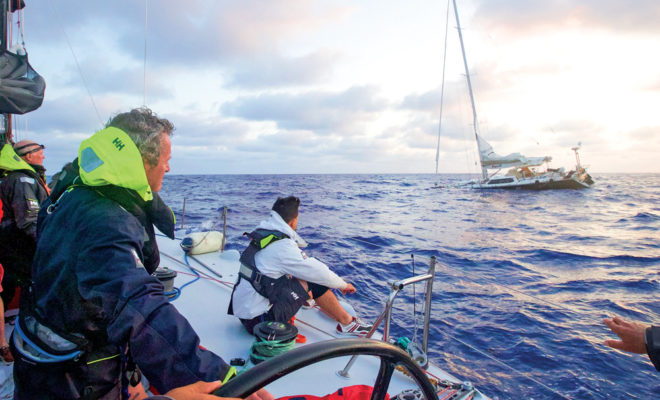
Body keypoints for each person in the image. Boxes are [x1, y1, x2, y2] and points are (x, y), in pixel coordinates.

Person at [11, 108, 271, 400]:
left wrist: (133, 372)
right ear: (145, 161)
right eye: (166, 160)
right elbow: (135, 303)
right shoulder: (107, 220)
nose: (168, 168)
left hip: (47, 355)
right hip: (74, 379)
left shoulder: (73, 193)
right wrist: (211, 375)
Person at [228, 196, 372, 336]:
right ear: (293, 221)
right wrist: (342, 285)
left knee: (295, 273)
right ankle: (347, 324)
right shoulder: (282, 246)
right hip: (260, 323)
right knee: (313, 281)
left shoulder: (263, 235)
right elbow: (317, 272)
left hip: (245, 313)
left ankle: (304, 300)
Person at [0, 139, 49, 308]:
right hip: (19, 246)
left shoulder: (21, 178)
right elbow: (28, 221)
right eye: (39, 151)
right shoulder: (22, 180)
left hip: (13, 245)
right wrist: (48, 245)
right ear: (28, 156)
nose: (43, 155)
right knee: (29, 283)